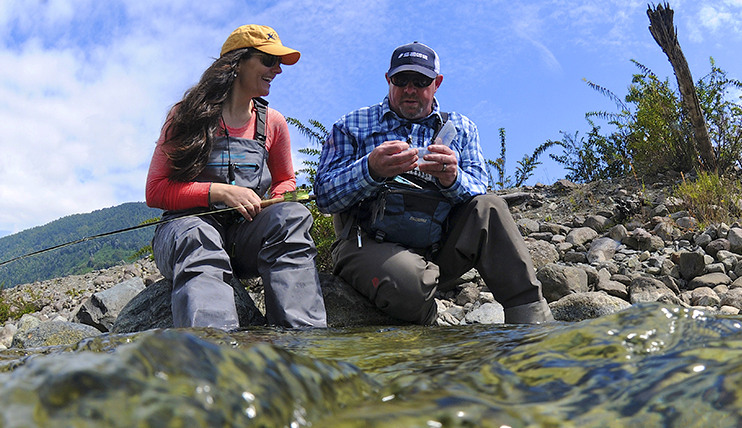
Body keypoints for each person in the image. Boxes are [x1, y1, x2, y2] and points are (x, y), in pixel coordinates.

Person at [313, 42, 552, 325]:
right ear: (388, 80)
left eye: (421, 81)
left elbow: (479, 189)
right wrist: (370, 169)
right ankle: (435, 331)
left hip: (438, 250)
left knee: (491, 207)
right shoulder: (351, 125)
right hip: (365, 244)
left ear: (436, 83)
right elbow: (324, 196)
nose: (410, 88)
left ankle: (533, 325)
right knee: (410, 282)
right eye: (401, 80)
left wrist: (453, 178)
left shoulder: (462, 128)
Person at [145, 24, 326, 330]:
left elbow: (285, 182)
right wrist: (220, 192)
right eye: (269, 61)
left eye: (280, 63)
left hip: (244, 238)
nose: (278, 70)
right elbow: (156, 191)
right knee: (198, 235)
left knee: (293, 215)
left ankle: (303, 343)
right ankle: (216, 352)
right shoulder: (184, 116)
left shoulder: (274, 123)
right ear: (237, 63)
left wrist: (274, 202)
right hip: (185, 231)